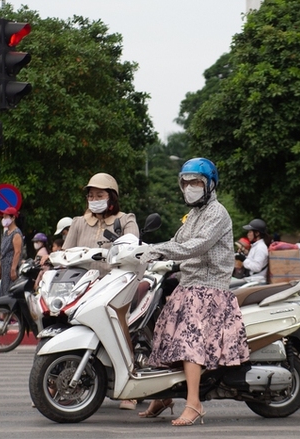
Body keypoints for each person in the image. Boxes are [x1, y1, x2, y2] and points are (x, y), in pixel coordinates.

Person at [138, 158, 250, 426]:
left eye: (196, 182)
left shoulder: (217, 213)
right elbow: (178, 242)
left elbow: (196, 246)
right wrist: (141, 248)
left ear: (210, 185)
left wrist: (158, 250)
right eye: (186, 182)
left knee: (189, 344)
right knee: (162, 337)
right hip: (189, 285)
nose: (190, 187)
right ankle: (163, 396)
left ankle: (194, 404)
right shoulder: (194, 216)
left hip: (209, 289)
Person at [62, 172, 139, 410]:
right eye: (91, 195)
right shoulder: (78, 222)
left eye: (100, 195)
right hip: (82, 287)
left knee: (118, 323)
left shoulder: (125, 219)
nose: (94, 199)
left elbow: (133, 243)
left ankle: (130, 388)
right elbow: (66, 255)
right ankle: (57, 384)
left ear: (112, 197)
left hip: (116, 286)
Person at [0, 207, 23, 297]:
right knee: (3, 292)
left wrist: (13, 269)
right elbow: (3, 252)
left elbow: (17, 252)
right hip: (4, 267)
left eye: (6, 216)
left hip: (11, 266)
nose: (3, 219)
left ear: (13, 218)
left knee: (10, 293)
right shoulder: (6, 233)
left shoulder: (16, 233)